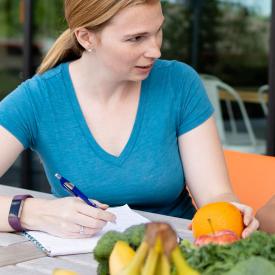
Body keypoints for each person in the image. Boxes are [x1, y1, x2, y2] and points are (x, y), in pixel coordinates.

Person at [0, 0, 259, 238]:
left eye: (158, 30)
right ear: (86, 37)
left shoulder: (179, 84)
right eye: (136, 38)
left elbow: (214, 194)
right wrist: (31, 213)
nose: (155, 50)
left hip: (179, 252)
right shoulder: (38, 99)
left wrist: (231, 212)